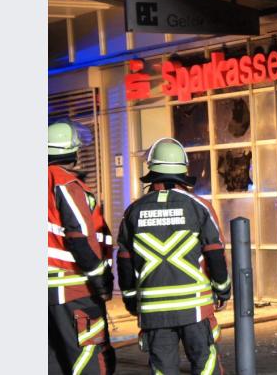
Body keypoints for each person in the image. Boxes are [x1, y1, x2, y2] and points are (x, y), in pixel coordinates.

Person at [117, 137, 231, 375]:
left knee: (162, 369)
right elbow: (215, 253)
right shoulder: (199, 207)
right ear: (182, 172)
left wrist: (130, 300)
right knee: (205, 365)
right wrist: (222, 290)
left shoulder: (133, 211)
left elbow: (125, 262)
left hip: (154, 311)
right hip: (195, 307)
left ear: (152, 173)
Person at [48, 121, 116, 375]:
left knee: (52, 361)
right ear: (74, 152)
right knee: (89, 356)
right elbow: (80, 237)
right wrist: (101, 282)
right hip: (73, 288)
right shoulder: (65, 183)